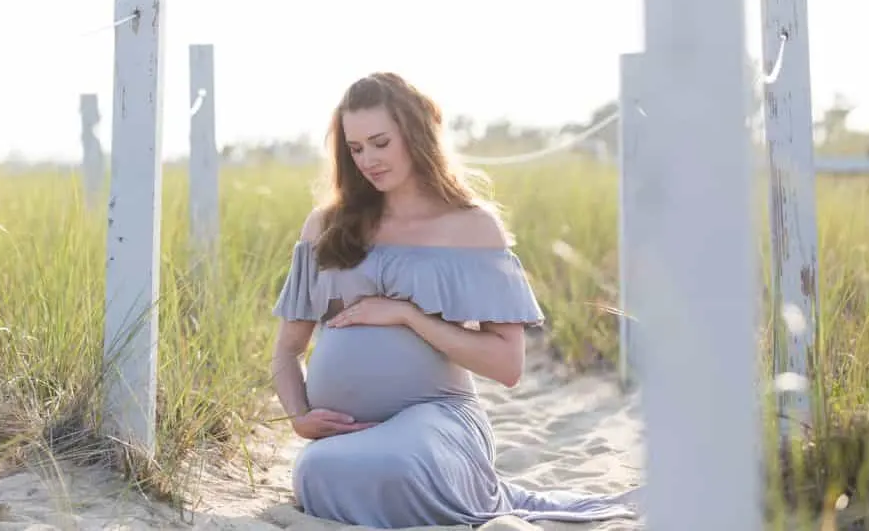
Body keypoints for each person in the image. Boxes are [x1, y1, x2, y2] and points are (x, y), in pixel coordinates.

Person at [270, 72, 638, 528]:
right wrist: (299, 417)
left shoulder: (472, 227)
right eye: (356, 147)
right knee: (316, 469)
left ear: (416, 133)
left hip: (437, 420)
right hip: (348, 437)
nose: (368, 159)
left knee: (401, 463)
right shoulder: (326, 225)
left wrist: (408, 316)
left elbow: (507, 366)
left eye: (381, 142)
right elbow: (287, 351)